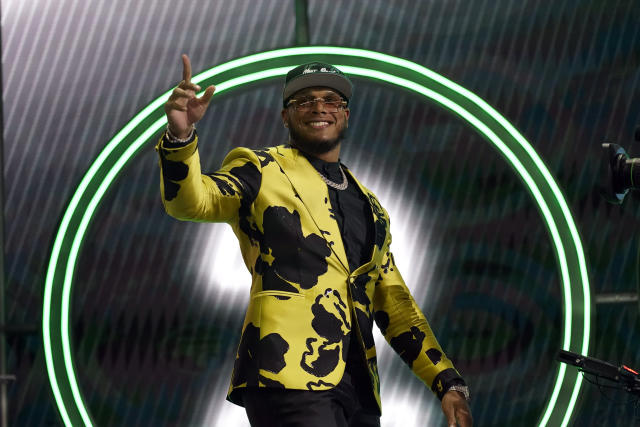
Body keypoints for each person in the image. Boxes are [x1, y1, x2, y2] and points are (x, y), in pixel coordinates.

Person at [157, 54, 473, 427]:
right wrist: (181, 136)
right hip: (286, 373)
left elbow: (394, 302)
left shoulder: (371, 207)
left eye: (331, 100)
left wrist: (448, 383)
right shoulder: (260, 168)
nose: (319, 107)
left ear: (346, 115)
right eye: (303, 100)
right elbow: (192, 201)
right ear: (285, 117)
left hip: (358, 391)